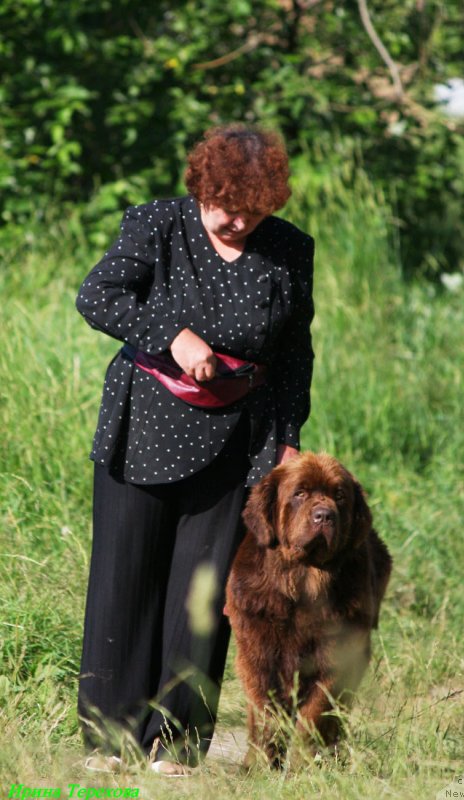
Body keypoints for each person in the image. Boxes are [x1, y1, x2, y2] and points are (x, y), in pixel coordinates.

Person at [76, 124, 315, 775]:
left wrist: (288, 437)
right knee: (125, 579)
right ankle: (110, 740)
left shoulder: (290, 249)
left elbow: (294, 354)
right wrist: (171, 334)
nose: (237, 219)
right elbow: (97, 296)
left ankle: (177, 743)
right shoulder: (158, 224)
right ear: (200, 187)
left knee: (205, 594)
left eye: (254, 208)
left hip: (238, 437)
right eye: (224, 204)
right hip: (144, 428)